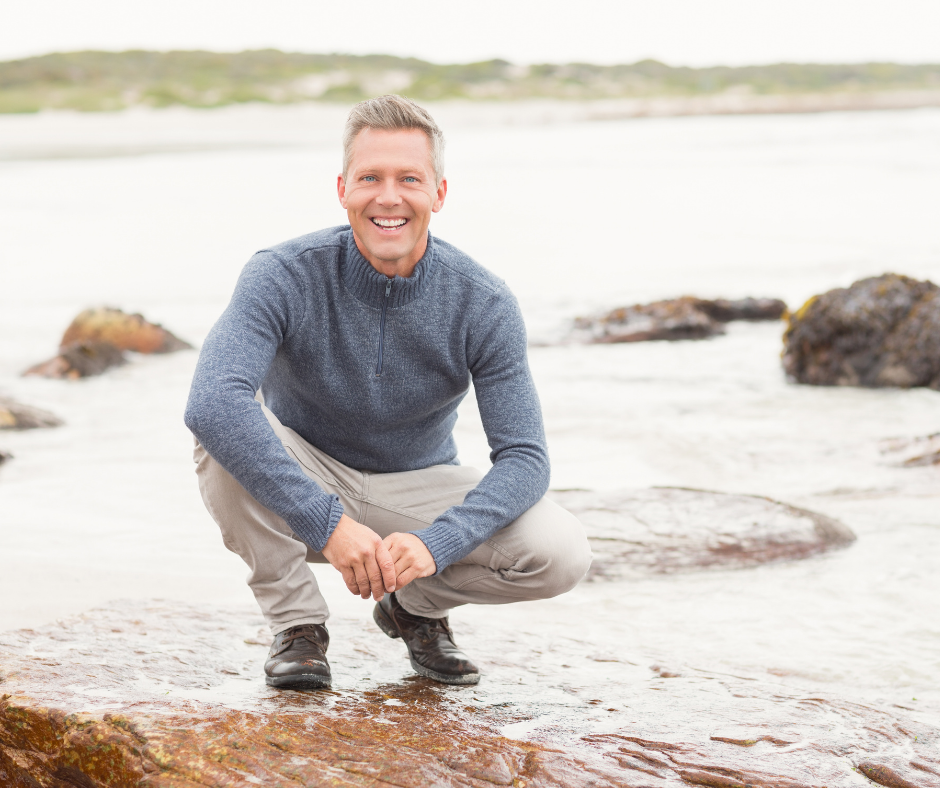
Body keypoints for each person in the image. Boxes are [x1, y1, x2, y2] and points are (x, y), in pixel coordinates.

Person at [184, 94, 591, 689]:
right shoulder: (282, 273)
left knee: (560, 553)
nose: (389, 197)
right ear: (343, 188)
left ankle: (415, 608)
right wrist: (327, 524)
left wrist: (437, 543)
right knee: (221, 430)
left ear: (440, 194)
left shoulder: (484, 301)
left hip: (417, 488)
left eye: (409, 179)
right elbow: (212, 401)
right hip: (308, 475)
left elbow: (526, 459)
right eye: (370, 178)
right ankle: (298, 626)